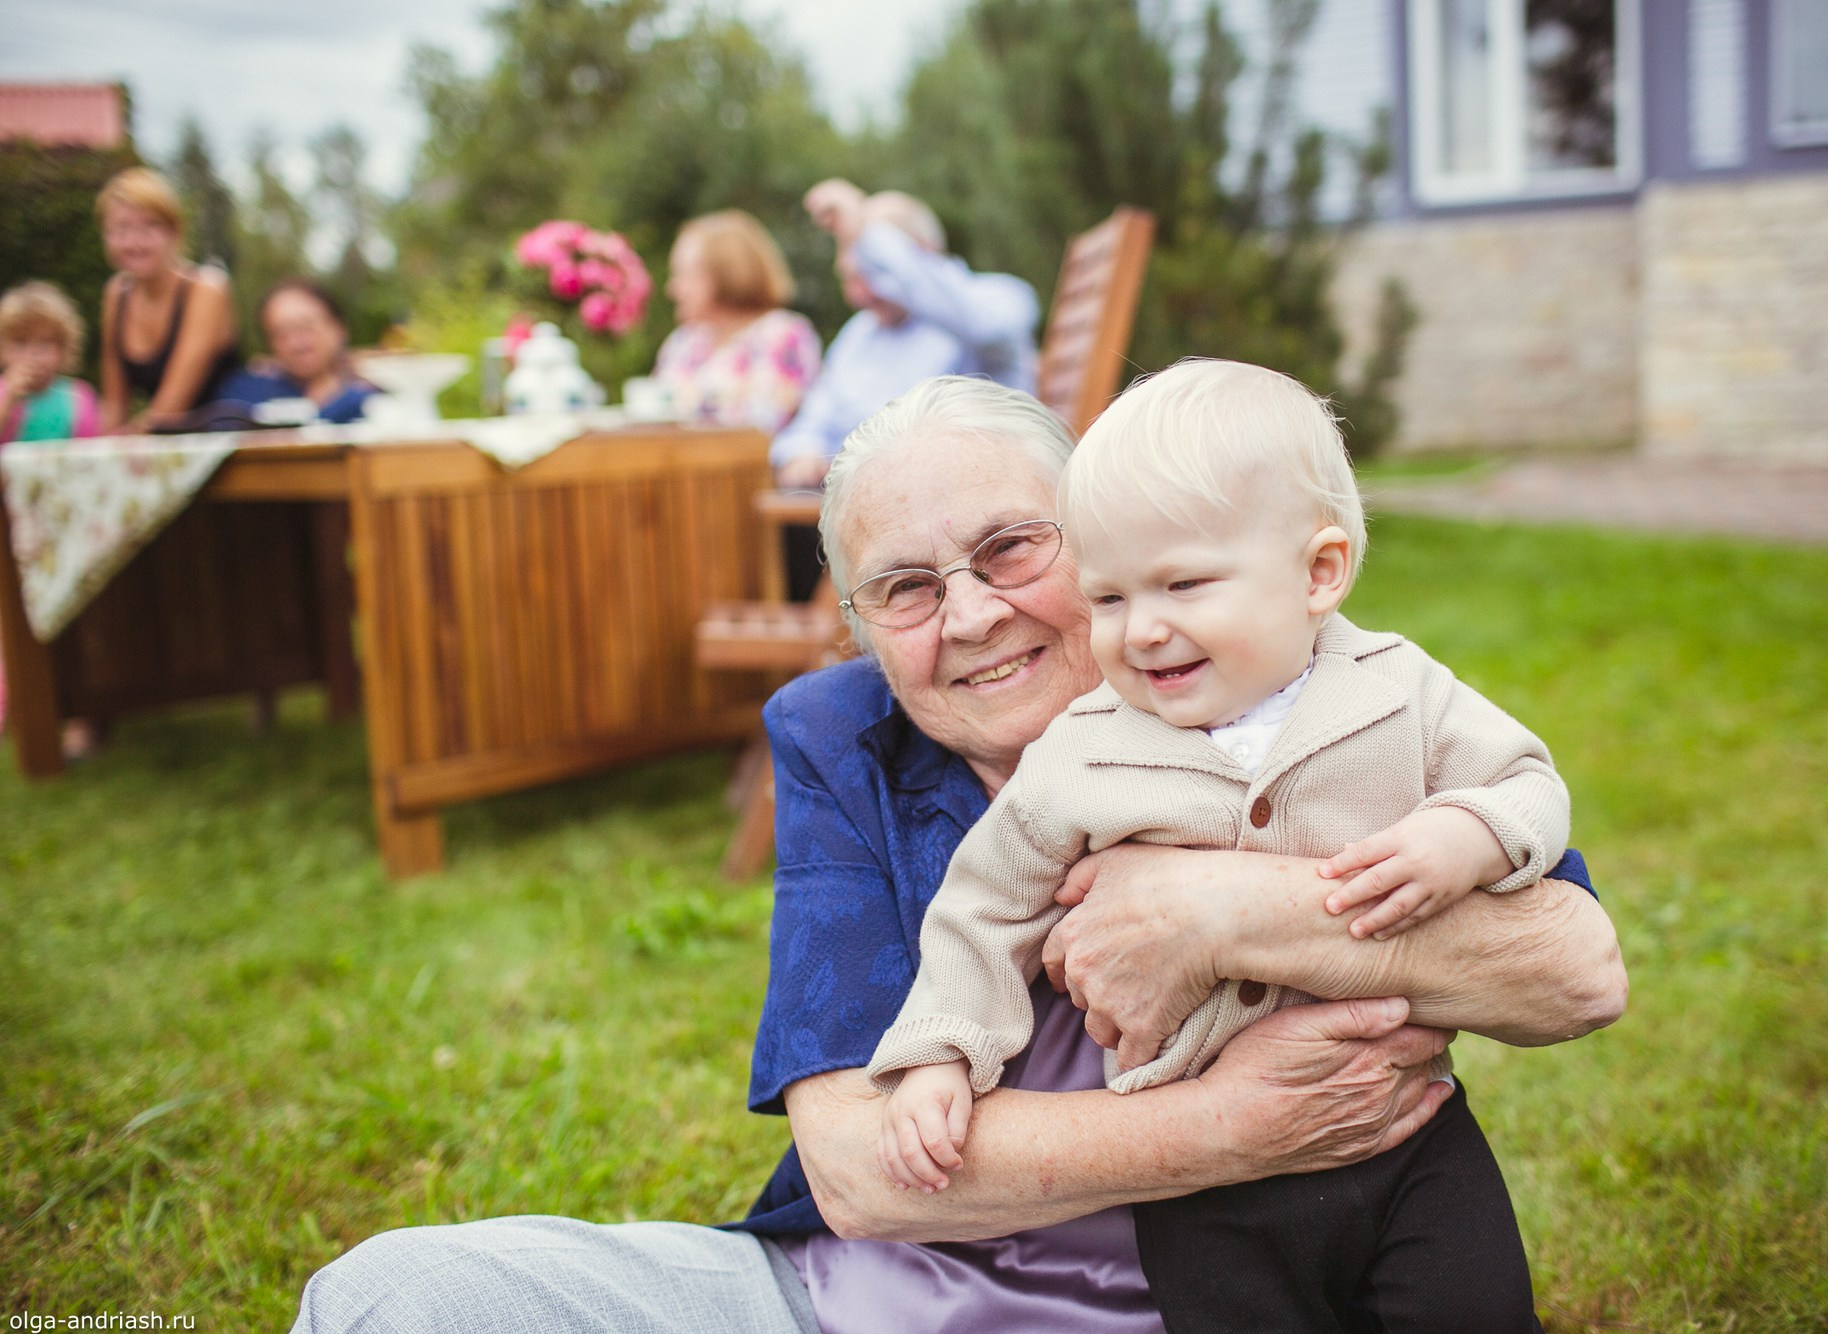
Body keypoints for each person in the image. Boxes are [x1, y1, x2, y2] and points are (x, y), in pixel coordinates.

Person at [289, 377, 1626, 1334]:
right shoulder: (844, 735)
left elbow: (1570, 970)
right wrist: (1235, 1123)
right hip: (845, 1307)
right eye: (907, 589)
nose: (973, 615)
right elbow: (861, 1168)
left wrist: (1217, 907)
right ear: (864, 627)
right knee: (389, 1298)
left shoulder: (1301, 694)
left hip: (1218, 1296)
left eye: (1012, 548)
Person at [869, 360, 1570, 1329]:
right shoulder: (1081, 750)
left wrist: (1466, 834)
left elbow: (1529, 783)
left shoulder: (1395, 689)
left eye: (1184, 584)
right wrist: (942, 1052)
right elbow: (983, 907)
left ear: (1319, 573)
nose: (1142, 631)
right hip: (1205, 1188)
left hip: (1403, 1124)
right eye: (1108, 598)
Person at [766, 180, 1039, 491]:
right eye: (849, 280)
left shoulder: (997, 300)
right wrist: (802, 453)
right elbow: (813, 420)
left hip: (971, 491)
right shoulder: (859, 333)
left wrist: (863, 230)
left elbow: (980, 326)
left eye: (870, 275)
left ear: (924, 252)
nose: (857, 297)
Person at [647, 209, 822, 433]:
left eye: (684, 274)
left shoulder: (784, 336)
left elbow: (775, 421)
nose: (673, 289)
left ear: (725, 272)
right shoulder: (682, 342)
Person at [95, 167, 241, 431]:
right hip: (161, 444)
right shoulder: (116, 293)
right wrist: (100, 443)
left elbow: (170, 409)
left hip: (225, 441)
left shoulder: (207, 289)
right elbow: (115, 405)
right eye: (121, 229)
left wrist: (123, 440)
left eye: (150, 226)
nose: (134, 242)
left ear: (174, 232)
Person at [216, 278, 379, 425]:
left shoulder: (375, 396)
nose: (296, 343)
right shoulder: (244, 396)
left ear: (339, 328)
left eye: (306, 326)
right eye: (281, 333)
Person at [0, 281, 100, 444]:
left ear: (63, 349)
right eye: (20, 343)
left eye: (44, 344)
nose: (32, 354)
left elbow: (88, 449)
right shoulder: (3, 393)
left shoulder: (78, 397)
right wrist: (10, 397)